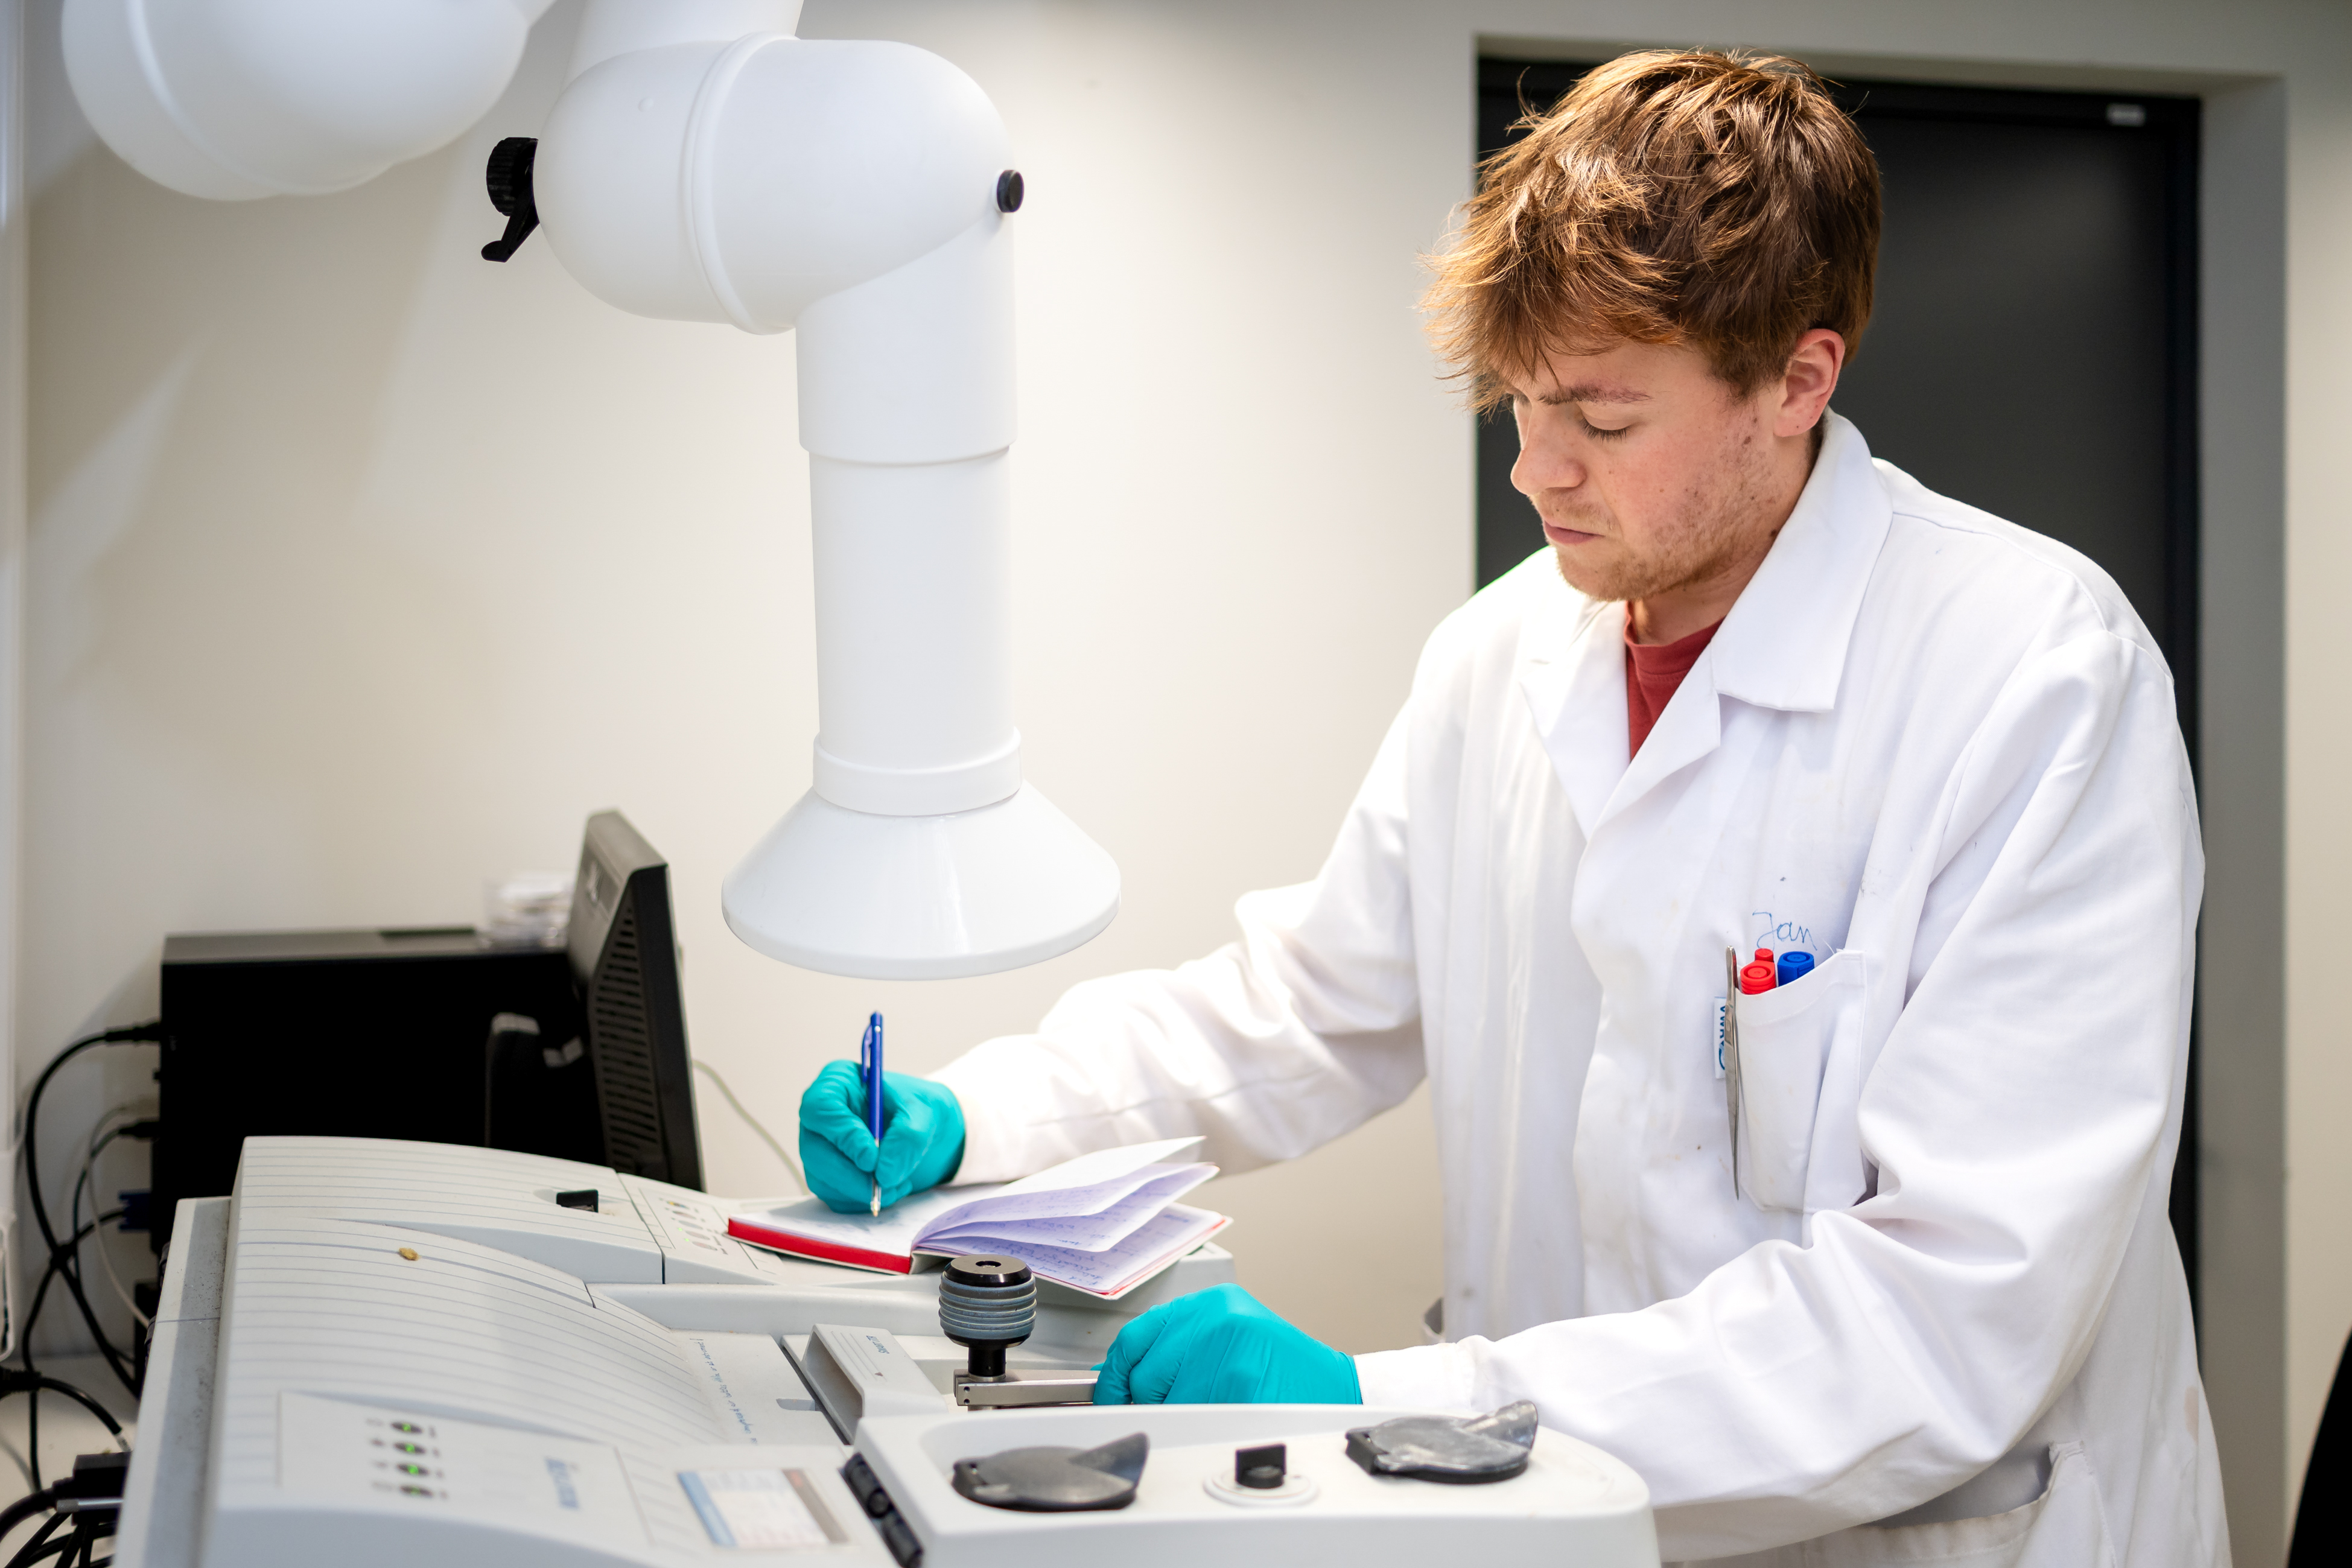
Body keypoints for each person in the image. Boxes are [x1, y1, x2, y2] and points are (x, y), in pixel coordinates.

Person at [795, 50, 2220, 1566]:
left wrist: (1387, 1403)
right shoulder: (1504, 651)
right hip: (1552, 1522)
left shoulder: (2031, 676)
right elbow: (1306, 1004)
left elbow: (1951, 1314)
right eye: (1520, 405)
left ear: (1798, 379)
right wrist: (982, 1120)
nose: (1537, 472)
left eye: (1601, 421)